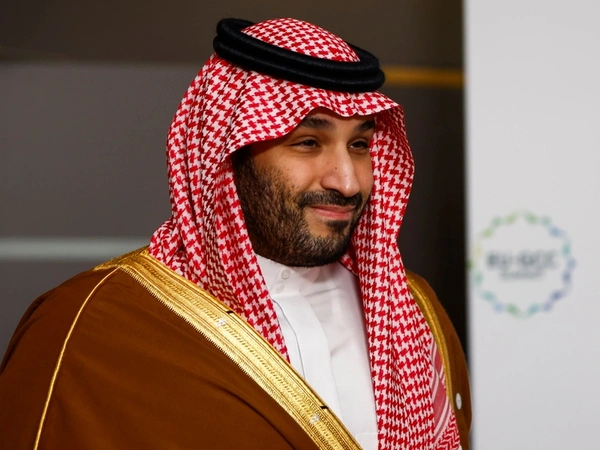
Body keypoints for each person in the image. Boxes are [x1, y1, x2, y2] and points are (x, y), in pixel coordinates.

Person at [0, 17, 470, 450]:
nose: (347, 182)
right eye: (308, 143)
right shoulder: (94, 326)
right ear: (225, 156)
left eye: (360, 144)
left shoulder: (415, 315)